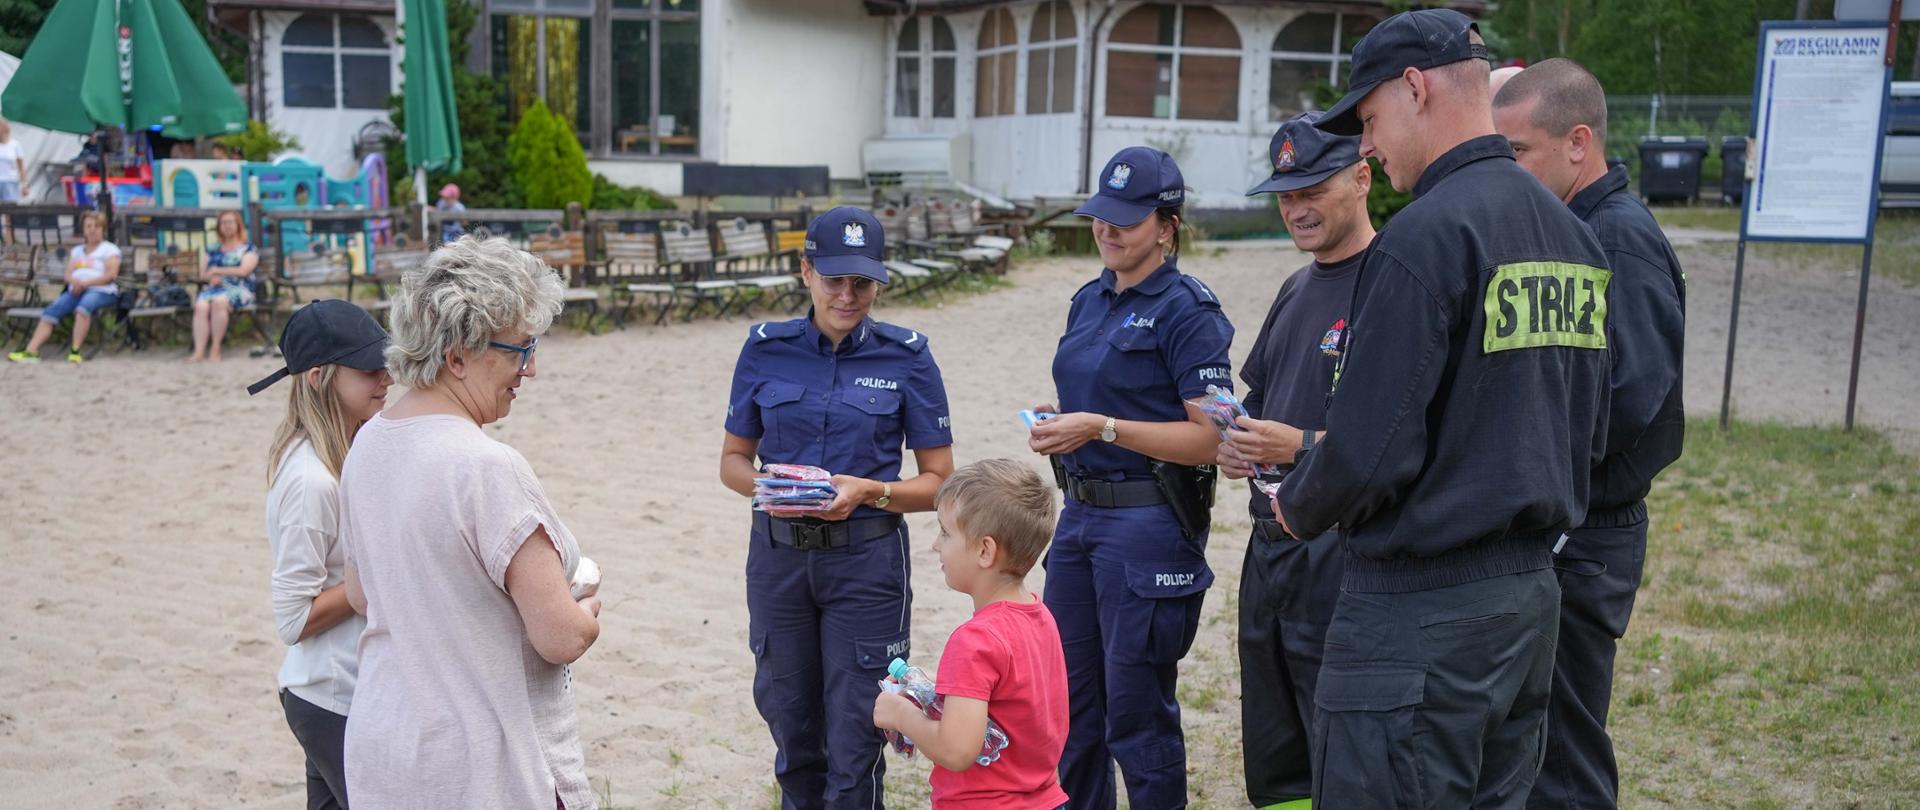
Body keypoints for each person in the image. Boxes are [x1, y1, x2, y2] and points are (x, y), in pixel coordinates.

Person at [1273, 9, 1612, 807]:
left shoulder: (1423, 238)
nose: (1366, 144)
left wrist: (1295, 505)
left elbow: (1367, 449)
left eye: (1367, 118)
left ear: (1415, 89)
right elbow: (1587, 429)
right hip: (1526, 607)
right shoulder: (1573, 239)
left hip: (1414, 615)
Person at [337, 237, 600, 809]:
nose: (530, 369)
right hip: (484, 765)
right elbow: (558, 638)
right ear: (457, 357)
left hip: (388, 747)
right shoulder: (485, 466)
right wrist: (587, 611)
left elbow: (361, 593)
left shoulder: (369, 443)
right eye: (519, 351)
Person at [1494, 58, 1687, 810]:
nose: (1505, 170)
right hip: (1562, 522)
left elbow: (1629, 400)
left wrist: (1523, 461)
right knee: (1531, 740)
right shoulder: (1570, 227)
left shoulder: (1620, 241)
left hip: (1589, 528)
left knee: (1564, 752)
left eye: (1518, 153)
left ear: (1579, 143)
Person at [719, 206, 955, 809]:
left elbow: (938, 482)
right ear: (806, 271)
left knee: (857, 739)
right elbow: (732, 463)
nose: (848, 296)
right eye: (834, 280)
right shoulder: (765, 350)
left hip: (866, 567)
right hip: (778, 565)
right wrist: (773, 488)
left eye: (863, 283)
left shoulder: (909, 357)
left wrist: (869, 491)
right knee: (793, 732)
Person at [1030, 146, 1233, 810]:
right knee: (1069, 709)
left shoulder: (1187, 310)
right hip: (1081, 517)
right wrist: (1067, 423)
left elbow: (1211, 435)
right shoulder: (1088, 301)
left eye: (1127, 218)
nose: (1108, 230)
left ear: (1167, 226)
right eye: (1100, 216)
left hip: (1148, 526)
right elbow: (1096, 397)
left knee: (1136, 715)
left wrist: (1103, 427)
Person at [1217, 111, 1375, 810]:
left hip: (1340, 549)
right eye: (1286, 195)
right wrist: (1237, 441)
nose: (1297, 210)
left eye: (1312, 190)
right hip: (1269, 543)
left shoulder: (1392, 282)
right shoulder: (1295, 286)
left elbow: (1408, 441)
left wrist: (1298, 445)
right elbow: (1261, 396)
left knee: (1338, 740)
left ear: (1362, 178)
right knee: (1274, 742)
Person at [250, 300, 393, 810]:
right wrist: (365, 586)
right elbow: (292, 619)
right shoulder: (310, 480)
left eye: (388, 363)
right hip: (333, 700)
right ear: (318, 377)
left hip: (352, 692)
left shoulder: (352, 448)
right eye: (368, 368)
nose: (385, 377)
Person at [870, 458, 1069, 810]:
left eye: (946, 532)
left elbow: (956, 750)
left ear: (984, 550)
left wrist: (901, 715)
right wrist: (937, 692)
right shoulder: (1040, 616)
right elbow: (1015, 704)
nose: (936, 544)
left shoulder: (974, 640)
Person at [10, 211, 121, 364]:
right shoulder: (77, 251)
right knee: (52, 311)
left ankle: (75, 351)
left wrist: (86, 284)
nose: (92, 229)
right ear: (83, 229)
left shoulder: (110, 250)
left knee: (83, 307)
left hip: (101, 290)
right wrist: (74, 283)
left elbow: (111, 275)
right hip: (76, 290)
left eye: (97, 226)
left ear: (103, 229)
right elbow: (68, 274)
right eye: (88, 226)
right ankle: (31, 351)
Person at [191, 210, 261, 362]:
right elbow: (203, 274)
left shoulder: (248, 248)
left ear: (238, 225)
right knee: (201, 305)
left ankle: (215, 349)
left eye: (230, 222)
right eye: (223, 223)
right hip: (214, 288)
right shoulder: (212, 249)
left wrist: (217, 270)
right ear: (218, 227)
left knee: (219, 302)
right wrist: (212, 277)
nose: (226, 226)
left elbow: (244, 271)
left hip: (240, 289)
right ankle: (199, 352)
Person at [0, 119, 26, 202]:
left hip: (10, 181)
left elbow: (21, 167)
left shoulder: (15, 145)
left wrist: (24, 184)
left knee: (10, 206)